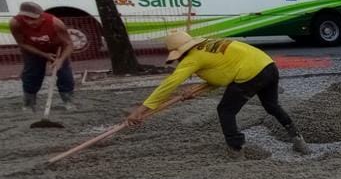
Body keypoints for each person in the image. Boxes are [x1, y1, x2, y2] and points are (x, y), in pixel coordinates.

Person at [126, 31, 308, 157]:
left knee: (225, 110)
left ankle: (236, 149)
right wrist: (198, 90)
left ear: (179, 53)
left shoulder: (193, 58)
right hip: (268, 65)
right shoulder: (208, 44)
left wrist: (141, 110)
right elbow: (223, 74)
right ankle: (298, 139)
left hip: (249, 73)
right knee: (272, 105)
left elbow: (169, 84)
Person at [9, 2, 75, 111]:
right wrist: (44, 55)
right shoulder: (15, 23)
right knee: (31, 75)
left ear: (41, 17)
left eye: (33, 19)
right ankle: (29, 104)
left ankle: (68, 102)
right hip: (33, 49)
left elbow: (69, 44)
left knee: (65, 74)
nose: (30, 22)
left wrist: (60, 60)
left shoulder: (56, 23)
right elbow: (22, 43)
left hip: (57, 48)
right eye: (26, 18)